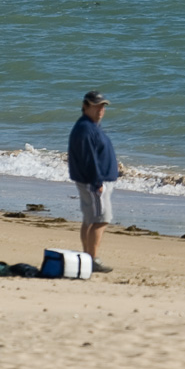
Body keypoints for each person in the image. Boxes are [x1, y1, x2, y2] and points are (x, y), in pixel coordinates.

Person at [67, 91, 119, 273]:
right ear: (86, 106)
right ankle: (92, 259)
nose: (100, 110)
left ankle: (87, 257)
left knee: (90, 219)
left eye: (103, 106)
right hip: (94, 182)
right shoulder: (86, 128)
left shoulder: (89, 126)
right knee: (101, 219)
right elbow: (89, 159)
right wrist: (97, 182)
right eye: (96, 106)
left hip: (93, 180)